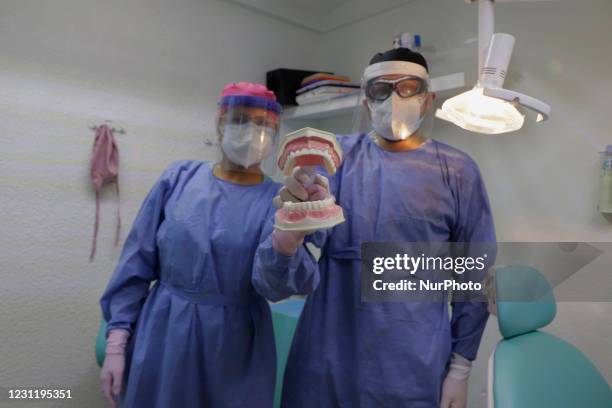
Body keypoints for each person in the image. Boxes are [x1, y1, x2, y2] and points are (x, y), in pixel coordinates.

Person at [253, 48, 496, 407]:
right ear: (367, 102)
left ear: (427, 100)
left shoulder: (457, 171)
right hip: (327, 357)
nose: (395, 99)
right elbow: (275, 280)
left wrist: (460, 367)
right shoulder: (333, 161)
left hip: (411, 363)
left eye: (409, 88)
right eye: (381, 90)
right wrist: (287, 239)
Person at [99, 82, 317, 408]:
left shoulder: (276, 202)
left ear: (274, 135)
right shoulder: (179, 178)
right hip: (164, 333)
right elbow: (137, 259)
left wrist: (285, 247)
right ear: (220, 124)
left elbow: (274, 286)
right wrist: (117, 339)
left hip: (236, 348)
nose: (251, 132)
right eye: (241, 120)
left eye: (263, 124)